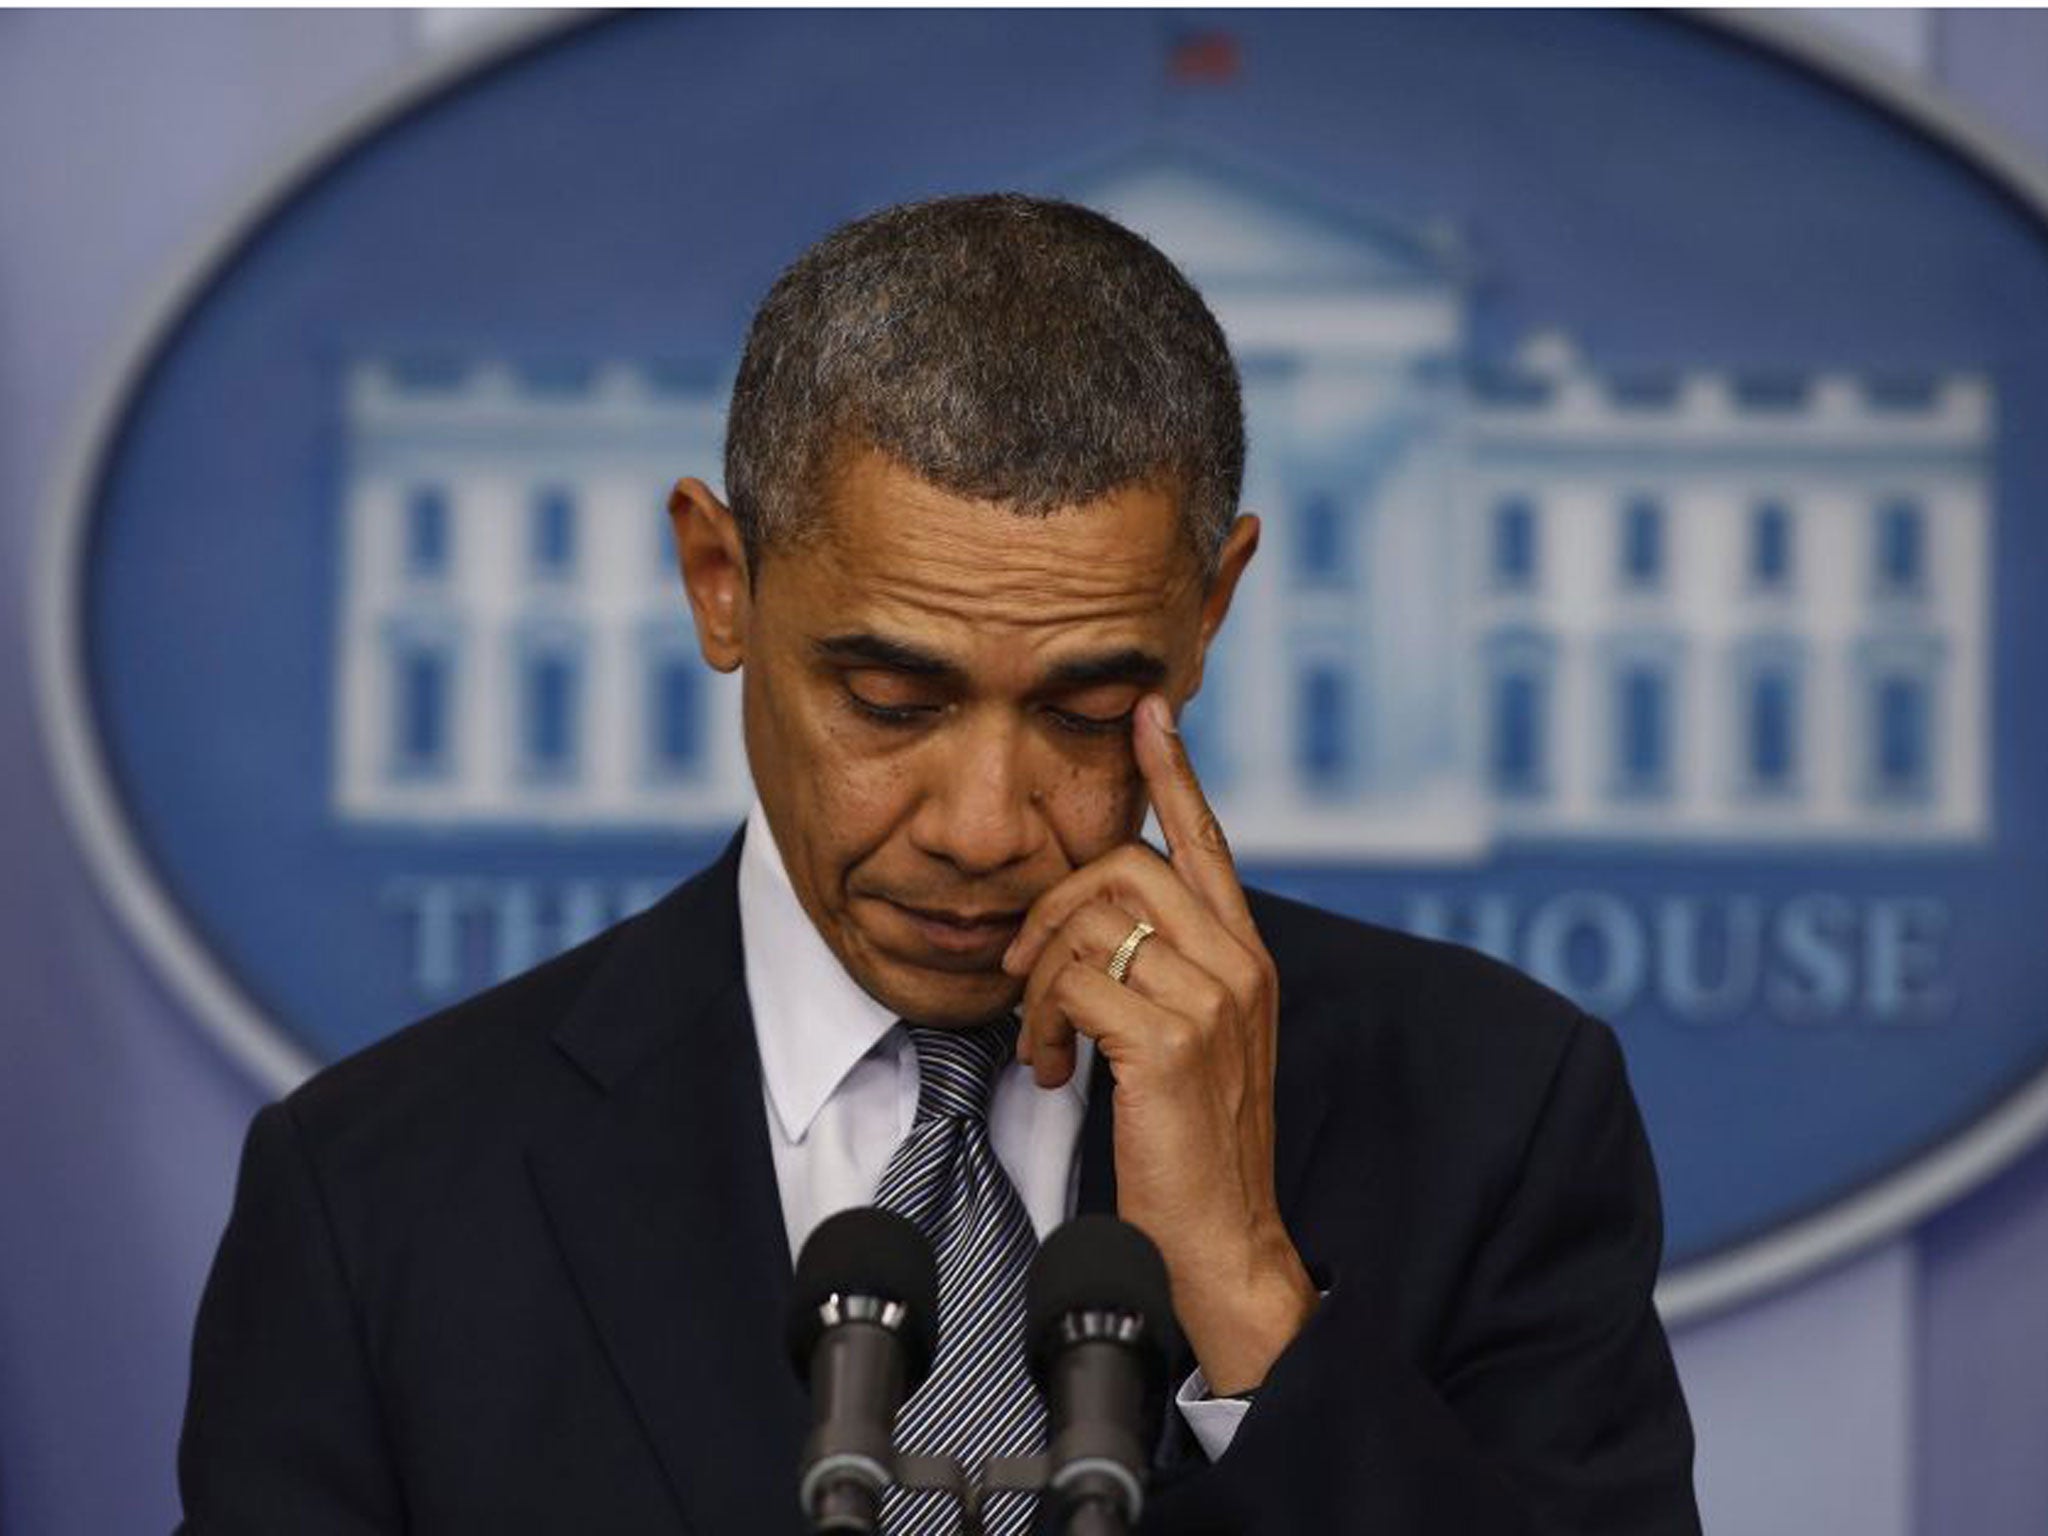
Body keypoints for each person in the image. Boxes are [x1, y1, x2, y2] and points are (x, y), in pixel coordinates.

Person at [177, 193, 1701, 1534]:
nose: (984, 824)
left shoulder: (1497, 1114)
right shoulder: (378, 1197)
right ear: (722, 583)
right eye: (892, 703)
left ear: (1215, 604)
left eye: (1090, 709)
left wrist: (1247, 1294)